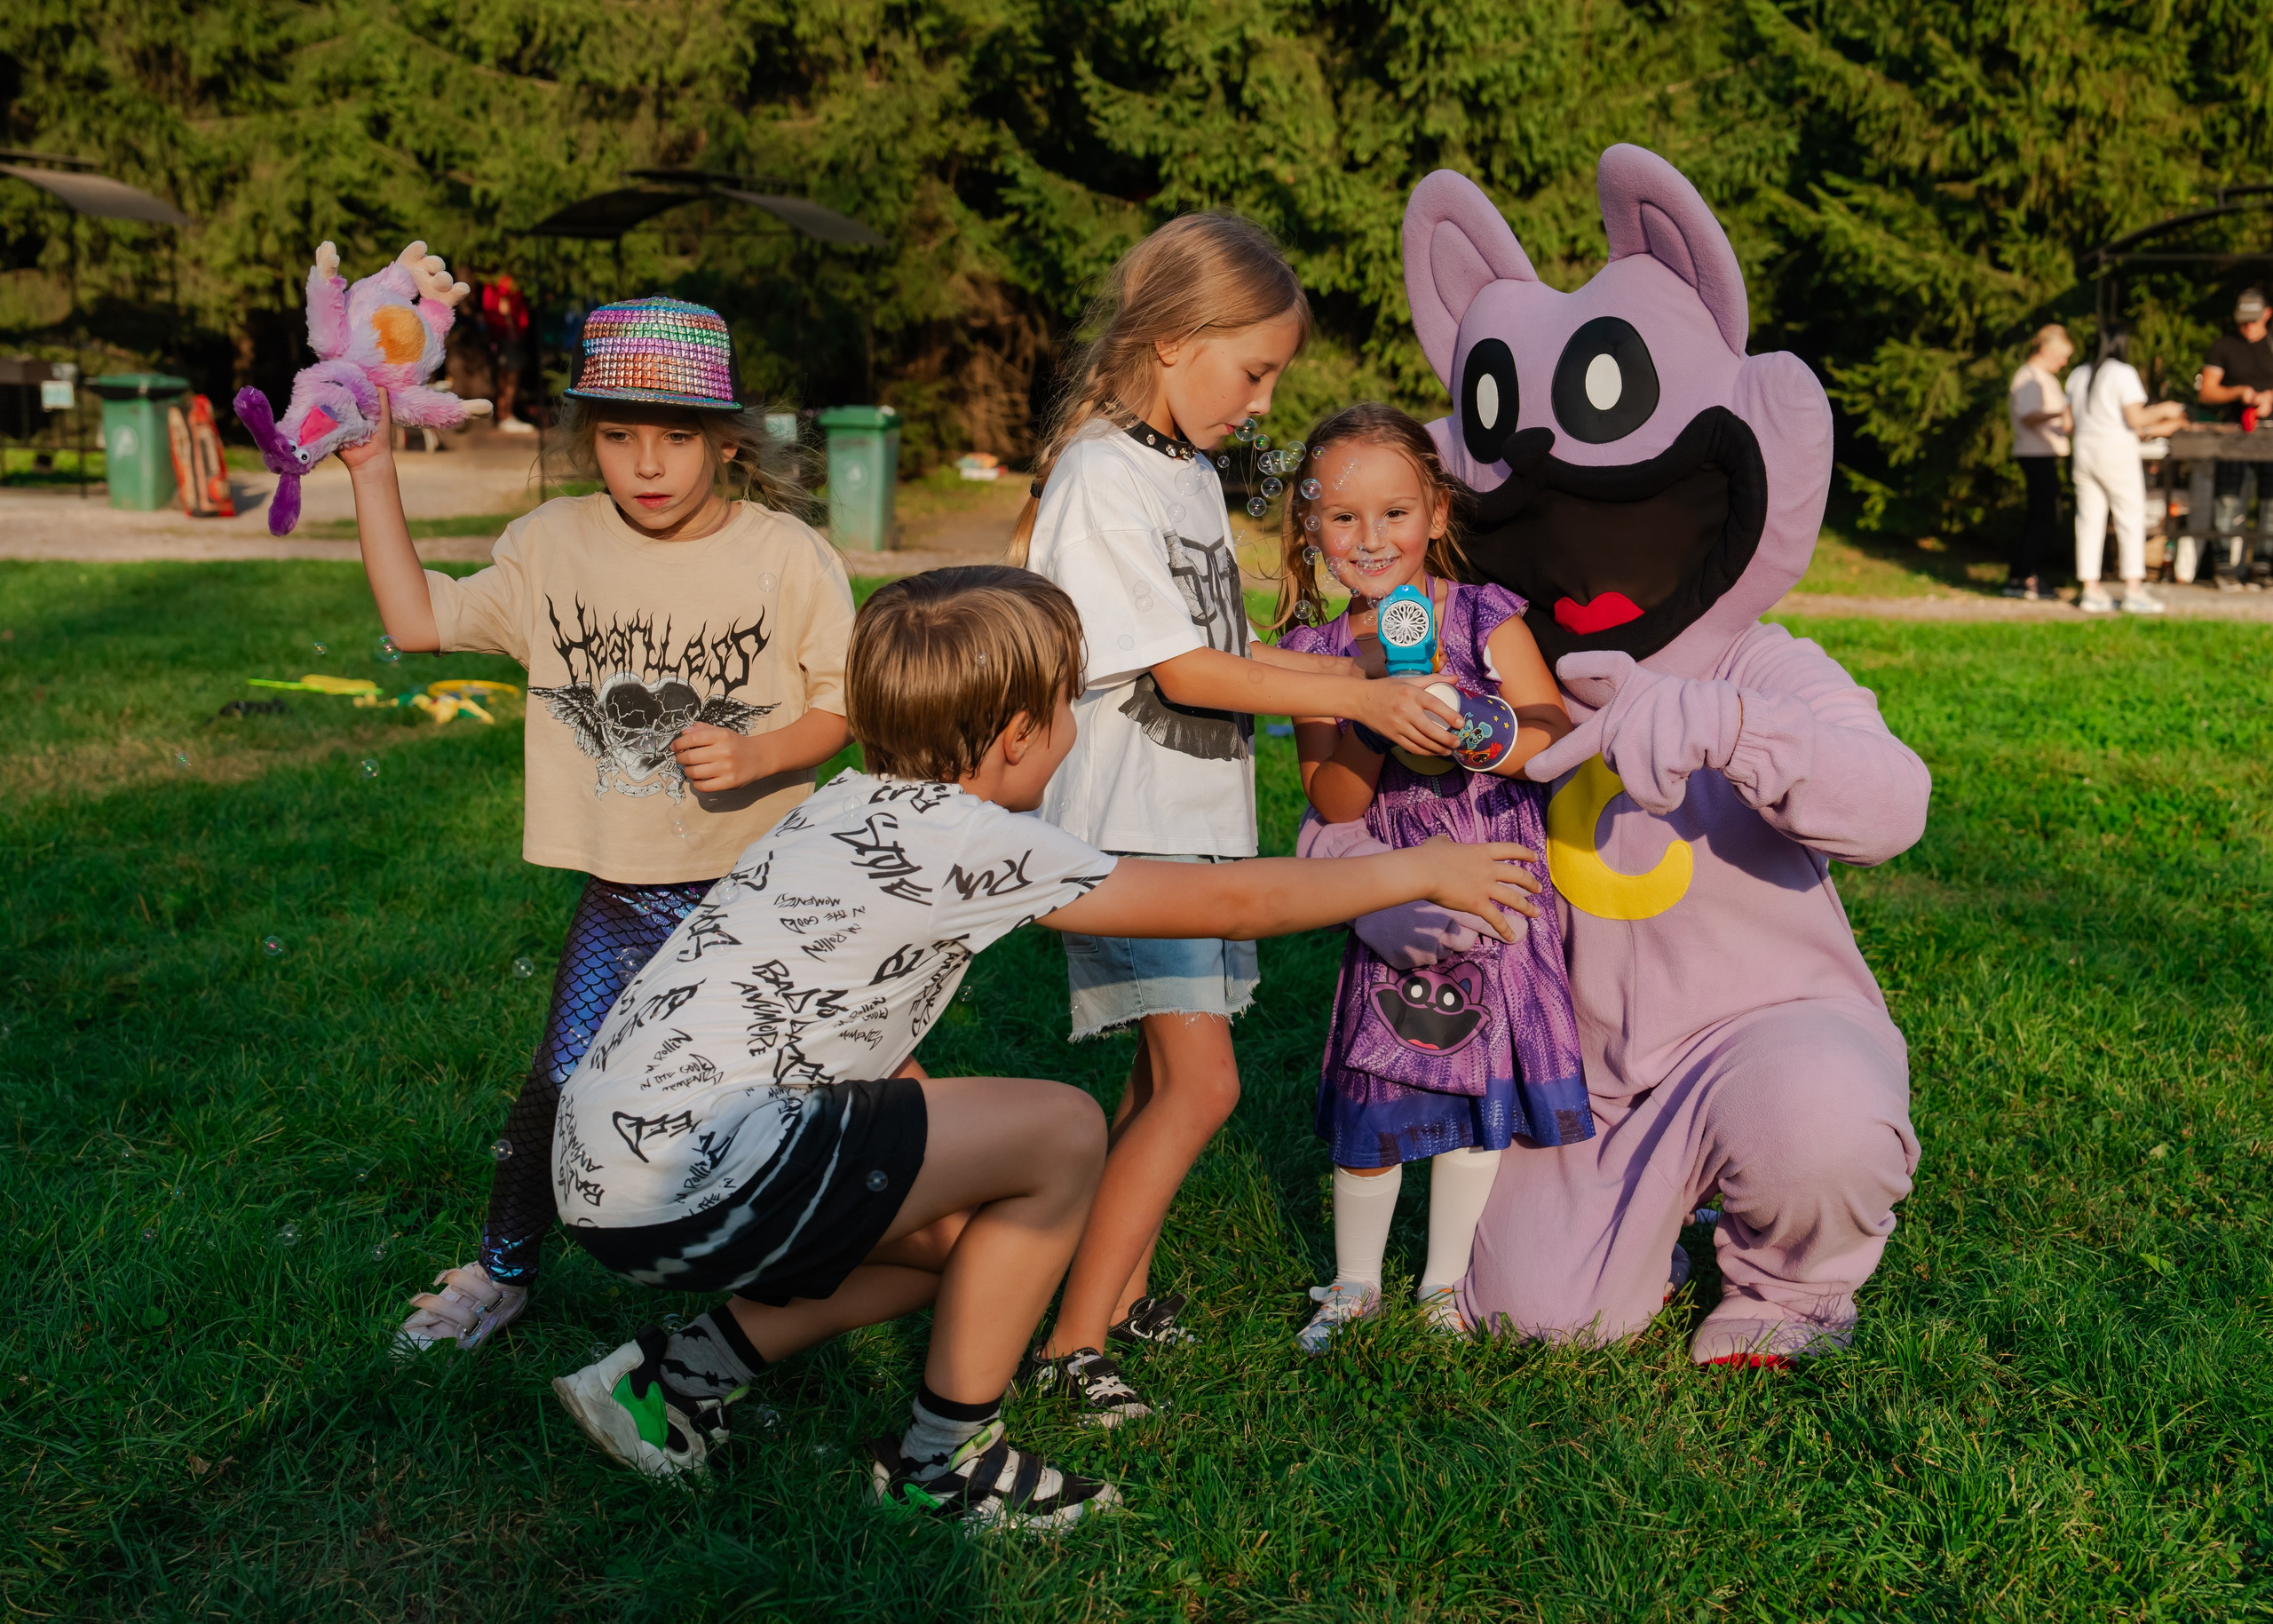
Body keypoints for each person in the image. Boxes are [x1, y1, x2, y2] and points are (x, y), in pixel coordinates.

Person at [543, 566, 1547, 1527]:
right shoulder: (964, 835)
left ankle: (668, 1381)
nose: (1073, 727)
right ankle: (944, 1464)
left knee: (963, 1246)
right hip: (693, 1177)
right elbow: (1233, 899)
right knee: (1063, 1126)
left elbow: (834, 1035)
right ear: (1020, 734)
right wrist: (1421, 867)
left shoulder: (840, 805)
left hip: (604, 1173)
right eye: (1070, 706)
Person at [1008, 213, 1468, 1422]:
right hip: (1132, 829)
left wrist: (1351, 670)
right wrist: (1357, 696)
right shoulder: (1101, 477)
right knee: (1203, 1085)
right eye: (1254, 371)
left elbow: (1231, 647)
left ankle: (1119, 1289)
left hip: (1193, 817)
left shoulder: (1182, 472)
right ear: (1174, 339)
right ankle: (1069, 1341)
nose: (1263, 403)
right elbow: (1180, 671)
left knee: (1163, 1075)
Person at [338, 297, 858, 1354]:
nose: (647, 464)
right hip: (629, 891)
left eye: (676, 437)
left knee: (795, 1087)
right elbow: (417, 619)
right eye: (619, 435)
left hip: (762, 892)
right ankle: (501, 1272)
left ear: (726, 441)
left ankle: (804, 1278)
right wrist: (372, 473)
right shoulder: (552, 544)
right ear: (589, 439)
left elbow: (841, 703)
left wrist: (761, 752)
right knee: (563, 1077)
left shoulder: (789, 555)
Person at [1270, 404, 1584, 1351]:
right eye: (1343, 517)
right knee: (1381, 1070)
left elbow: (1551, 730)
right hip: (1395, 897)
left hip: (1497, 881)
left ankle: (1444, 1284)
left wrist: (1478, 729)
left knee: (1482, 1088)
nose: (1371, 538)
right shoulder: (1317, 654)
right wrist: (1375, 709)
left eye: (1395, 513)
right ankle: (1354, 1282)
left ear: (1437, 513)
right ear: (1310, 527)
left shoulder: (1485, 615)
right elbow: (1331, 801)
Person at [2067, 326, 2181, 614]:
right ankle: (2133, 589)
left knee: (2089, 519)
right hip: (2115, 451)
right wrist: (2167, 409)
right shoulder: (2122, 372)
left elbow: (2069, 422)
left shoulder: (2078, 374)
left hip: (2083, 450)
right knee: (2129, 517)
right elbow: (2135, 418)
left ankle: (2090, 589)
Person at [2196, 288, 2273, 586]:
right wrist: (2239, 393)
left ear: (2267, 314)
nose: (2248, 326)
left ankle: (2264, 565)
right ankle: (2224, 565)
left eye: (2254, 319)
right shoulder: (2223, 346)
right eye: (2243, 320)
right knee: (2227, 498)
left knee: (2270, 500)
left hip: (2270, 434)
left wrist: (2269, 398)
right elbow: (2207, 391)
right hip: (2233, 433)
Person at [2005, 324, 2072, 600]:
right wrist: (2063, 412)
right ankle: (2024, 577)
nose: (2064, 362)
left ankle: (2021, 575)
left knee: (2040, 517)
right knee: (2042, 517)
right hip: (2035, 454)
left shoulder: (2043, 377)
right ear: (2045, 349)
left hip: (2044, 453)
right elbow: (2028, 415)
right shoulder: (2029, 377)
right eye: (2061, 356)